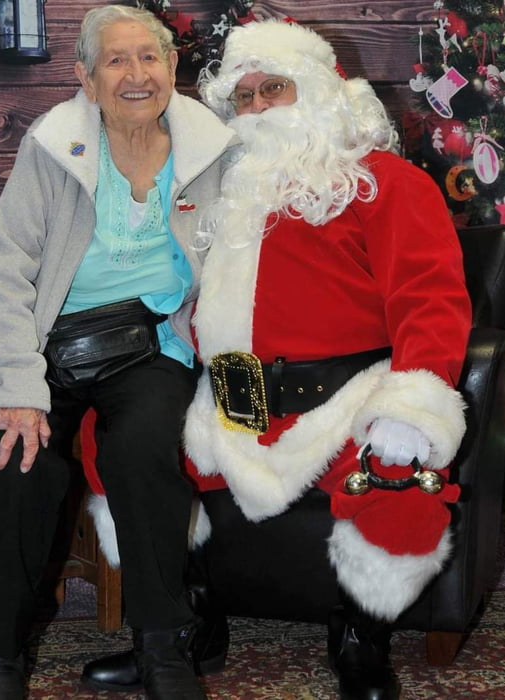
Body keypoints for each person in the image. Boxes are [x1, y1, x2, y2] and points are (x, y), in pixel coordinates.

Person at [180, 19, 472, 700]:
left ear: (319, 94)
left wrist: (412, 402)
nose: (255, 110)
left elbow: (431, 299)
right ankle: (194, 612)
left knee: (398, 474)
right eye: (242, 97)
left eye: (272, 89)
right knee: (120, 440)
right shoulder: (219, 195)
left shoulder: (386, 183)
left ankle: (361, 632)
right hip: (231, 401)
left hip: (344, 400)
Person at [0, 5, 235, 700]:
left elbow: (242, 257)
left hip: (152, 342)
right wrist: (18, 387)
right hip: (45, 342)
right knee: (11, 466)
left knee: (142, 452)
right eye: (116, 60)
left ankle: (163, 642)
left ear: (174, 68)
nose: (136, 74)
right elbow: (7, 270)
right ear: (85, 77)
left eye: (150, 58)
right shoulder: (51, 148)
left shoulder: (214, 150)